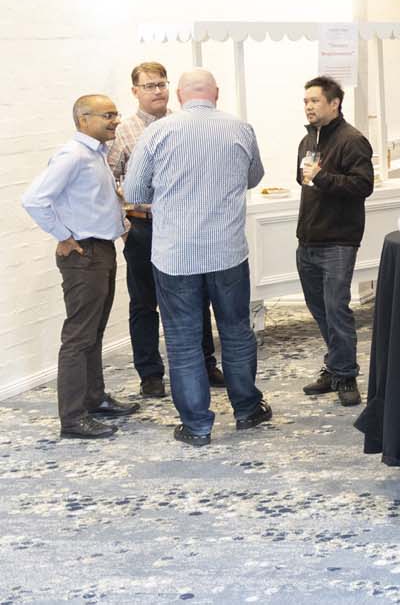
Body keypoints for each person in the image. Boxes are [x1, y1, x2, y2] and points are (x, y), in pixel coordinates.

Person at [124, 70, 270, 447]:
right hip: (227, 251)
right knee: (236, 332)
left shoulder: (157, 132)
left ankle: (196, 426)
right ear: (216, 93)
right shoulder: (240, 128)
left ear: (178, 94)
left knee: (183, 341)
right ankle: (247, 409)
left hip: (175, 255)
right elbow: (254, 177)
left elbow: (135, 190)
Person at [22, 94, 139, 439]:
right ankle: (72, 419)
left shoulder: (96, 154)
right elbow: (34, 200)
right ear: (83, 120)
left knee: (94, 332)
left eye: (116, 114)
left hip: (101, 250)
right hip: (84, 254)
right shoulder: (72, 155)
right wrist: (63, 235)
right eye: (108, 115)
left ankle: (94, 398)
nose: (116, 120)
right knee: (78, 337)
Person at [107, 61, 222, 397]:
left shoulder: (183, 123)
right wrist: (124, 227)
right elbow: (108, 181)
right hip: (143, 228)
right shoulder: (124, 132)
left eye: (161, 84)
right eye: (149, 86)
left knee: (196, 297)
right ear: (135, 91)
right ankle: (150, 374)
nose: (157, 91)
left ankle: (205, 364)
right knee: (144, 303)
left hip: (184, 227)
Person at [295, 75, 375, 408]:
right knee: (320, 310)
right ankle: (335, 365)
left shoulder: (352, 140)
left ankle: (346, 374)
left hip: (338, 241)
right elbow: (304, 180)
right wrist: (314, 178)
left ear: (334, 103)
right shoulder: (307, 139)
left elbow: (363, 186)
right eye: (306, 101)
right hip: (308, 239)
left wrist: (323, 177)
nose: (309, 106)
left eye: (315, 100)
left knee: (336, 309)